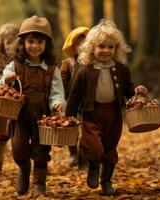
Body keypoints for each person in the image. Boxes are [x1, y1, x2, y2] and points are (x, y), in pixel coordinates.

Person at [65, 19, 148, 196]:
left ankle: (107, 180)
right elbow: (74, 96)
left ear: (117, 49)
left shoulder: (121, 69)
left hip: (113, 114)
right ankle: (94, 167)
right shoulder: (84, 71)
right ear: (92, 48)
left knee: (110, 148)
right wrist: (69, 116)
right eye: (101, 46)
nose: (106, 51)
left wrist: (136, 91)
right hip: (91, 113)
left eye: (111, 47)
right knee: (93, 145)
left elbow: (127, 88)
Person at [0, 15, 65, 198]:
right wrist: (7, 80)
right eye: (31, 41)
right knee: (19, 147)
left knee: (41, 150)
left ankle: (39, 185)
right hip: (19, 115)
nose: (35, 46)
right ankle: (24, 170)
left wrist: (57, 102)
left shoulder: (52, 69)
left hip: (43, 116)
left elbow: (57, 91)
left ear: (46, 45)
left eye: (39, 42)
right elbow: (0, 86)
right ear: (23, 43)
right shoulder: (15, 65)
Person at [0, 23, 19, 174]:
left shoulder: (22, 62)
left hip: (18, 104)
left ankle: (21, 164)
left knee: (17, 135)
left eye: (15, 41)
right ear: (2, 44)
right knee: (0, 137)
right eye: (8, 42)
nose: (11, 46)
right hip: (1, 104)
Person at [60, 27, 89, 169]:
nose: (82, 47)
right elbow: (62, 82)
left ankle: (84, 155)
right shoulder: (67, 63)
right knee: (71, 129)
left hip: (87, 101)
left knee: (87, 129)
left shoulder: (92, 63)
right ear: (72, 46)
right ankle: (73, 152)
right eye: (78, 44)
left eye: (85, 43)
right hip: (70, 100)